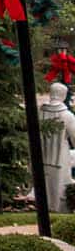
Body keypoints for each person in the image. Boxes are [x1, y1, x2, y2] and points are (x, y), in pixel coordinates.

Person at [40, 82, 75, 212]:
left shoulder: (39, 112)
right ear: (63, 95)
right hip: (60, 156)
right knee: (61, 186)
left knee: (45, 185)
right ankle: (60, 210)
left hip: (41, 156)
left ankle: (45, 208)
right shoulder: (67, 115)